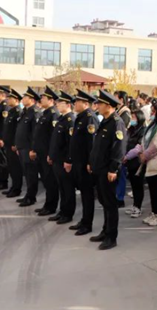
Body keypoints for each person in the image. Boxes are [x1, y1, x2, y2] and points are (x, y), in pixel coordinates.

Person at [88, 90, 127, 251]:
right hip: (99, 168)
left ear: (108, 106)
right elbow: (98, 147)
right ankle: (105, 231)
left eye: (100, 104)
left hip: (108, 170)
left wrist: (113, 169)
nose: (97, 106)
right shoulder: (105, 121)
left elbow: (119, 148)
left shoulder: (116, 122)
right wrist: (92, 162)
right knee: (104, 202)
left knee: (110, 204)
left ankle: (112, 237)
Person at [68, 89, 99, 236]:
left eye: (77, 101)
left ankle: (87, 224)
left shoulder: (90, 118)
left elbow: (91, 144)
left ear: (85, 103)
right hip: (78, 162)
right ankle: (84, 220)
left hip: (85, 163)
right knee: (83, 194)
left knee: (87, 195)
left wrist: (89, 163)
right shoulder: (80, 117)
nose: (74, 104)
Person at [32, 87, 60, 216]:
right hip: (41, 153)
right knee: (46, 180)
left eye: (43, 98)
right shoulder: (45, 113)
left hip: (47, 154)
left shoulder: (53, 114)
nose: (41, 100)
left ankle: (51, 206)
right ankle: (47, 205)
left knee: (50, 181)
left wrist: (51, 154)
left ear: (51, 100)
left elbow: (53, 137)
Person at [49, 91, 75, 224]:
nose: (57, 105)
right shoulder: (61, 119)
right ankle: (62, 211)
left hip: (64, 161)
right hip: (57, 159)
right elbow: (55, 141)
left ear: (68, 105)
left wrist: (68, 160)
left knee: (68, 188)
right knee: (62, 188)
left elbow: (71, 143)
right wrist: (51, 155)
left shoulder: (70, 120)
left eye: (60, 103)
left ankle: (68, 213)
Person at [15, 87, 40, 207]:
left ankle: (31, 197)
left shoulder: (34, 113)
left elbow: (35, 134)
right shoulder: (25, 111)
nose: (23, 99)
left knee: (31, 174)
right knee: (26, 173)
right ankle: (28, 195)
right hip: (22, 147)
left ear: (32, 100)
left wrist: (33, 149)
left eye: (25, 97)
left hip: (28, 149)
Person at [123, 109, 148, 219]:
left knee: (138, 185)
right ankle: (135, 206)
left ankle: (138, 207)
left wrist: (127, 156)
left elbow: (139, 147)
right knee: (133, 185)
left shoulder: (143, 130)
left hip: (137, 161)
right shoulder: (131, 129)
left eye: (134, 117)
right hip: (129, 162)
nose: (132, 119)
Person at [1, 89, 23, 198]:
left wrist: (15, 144)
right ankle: (13, 187)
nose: (8, 100)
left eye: (10, 98)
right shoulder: (11, 111)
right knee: (11, 167)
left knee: (16, 168)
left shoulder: (18, 112)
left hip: (13, 145)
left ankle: (16, 189)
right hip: (8, 144)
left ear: (16, 100)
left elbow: (17, 131)